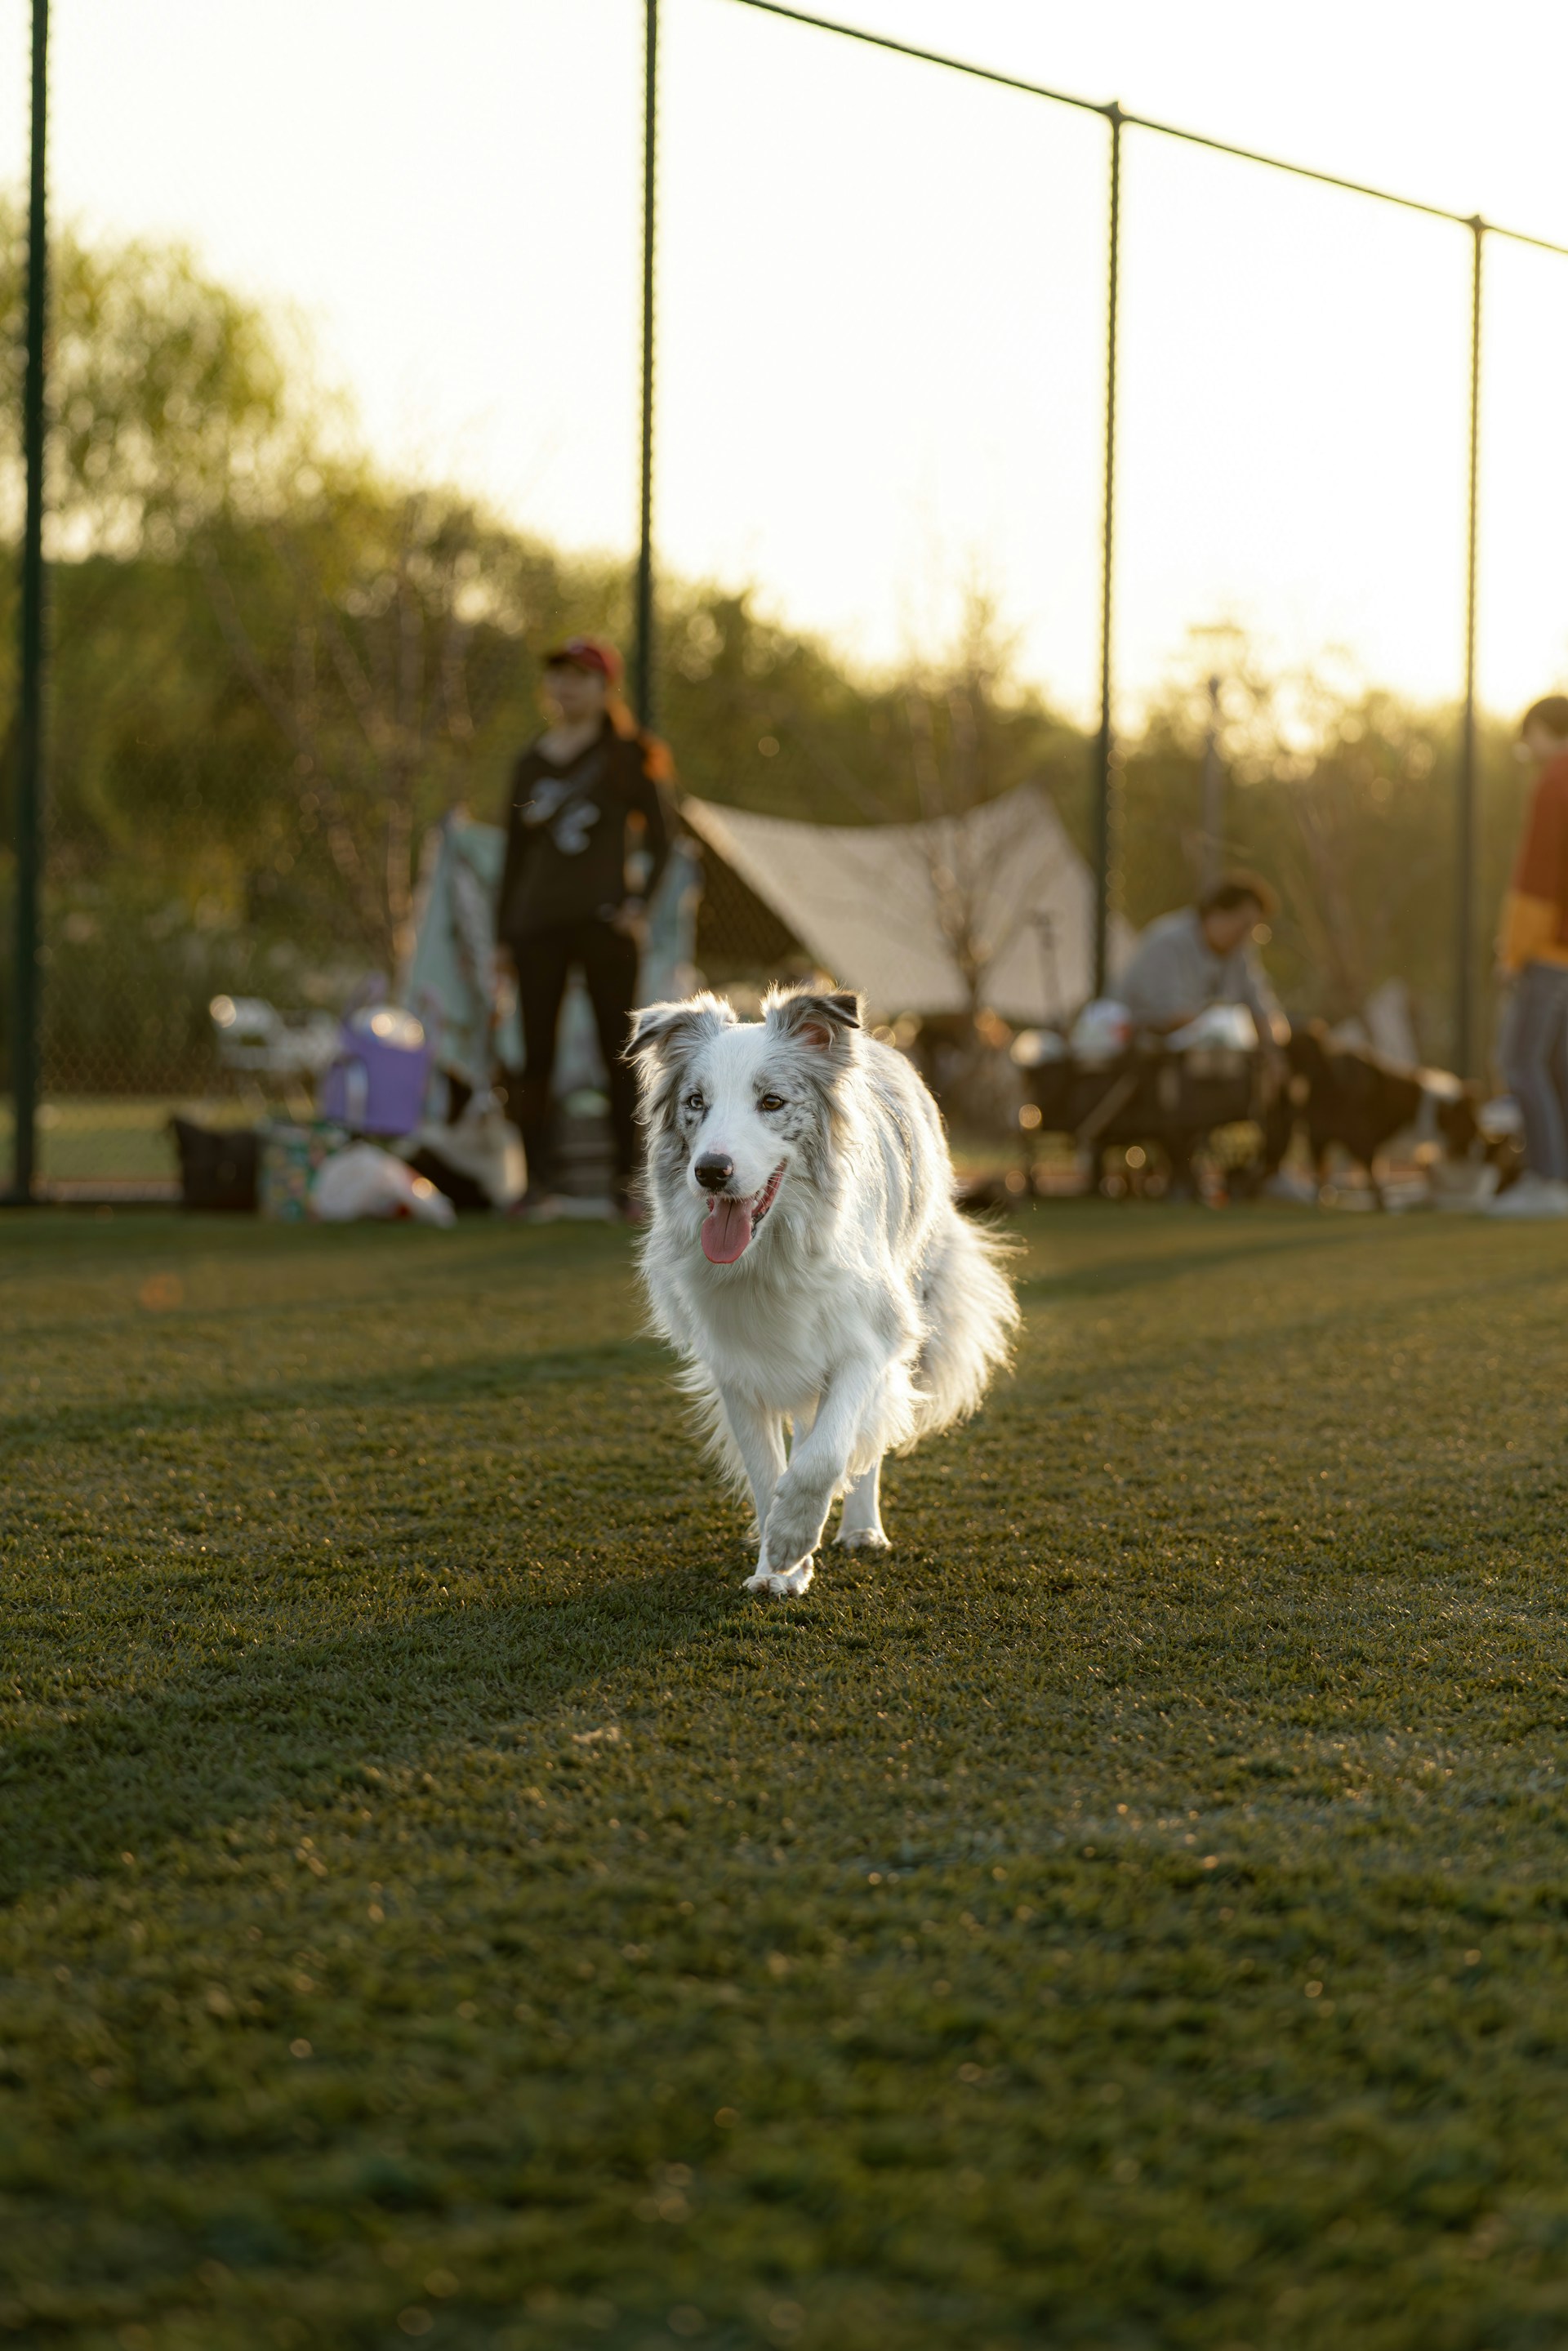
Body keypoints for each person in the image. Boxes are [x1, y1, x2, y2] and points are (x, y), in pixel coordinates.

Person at [495, 635, 675, 1220]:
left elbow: (665, 839)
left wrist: (638, 905)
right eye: (558, 675)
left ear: (604, 688)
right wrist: (503, 937)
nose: (566, 686)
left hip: (603, 926)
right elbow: (514, 857)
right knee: (535, 1057)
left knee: (618, 1052)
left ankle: (628, 1183)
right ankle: (536, 1183)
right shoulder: (530, 763)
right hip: (536, 926)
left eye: (579, 676)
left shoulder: (626, 755)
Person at [1488, 694, 1568, 1218]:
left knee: (1521, 1061)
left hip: (1549, 949)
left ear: (1543, 728)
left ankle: (1548, 1179)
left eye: (1528, 738)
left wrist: (1512, 951)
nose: (1528, 750)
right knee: (1558, 1066)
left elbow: (1536, 875)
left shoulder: (1555, 781)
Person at [1118, 871, 1286, 1060]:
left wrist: (1273, 1052)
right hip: (1146, 1054)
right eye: (1245, 925)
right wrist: (1225, 1028)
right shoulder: (1169, 942)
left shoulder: (1240, 953)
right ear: (1218, 912)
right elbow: (1169, 1016)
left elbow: (1264, 1012)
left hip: (1211, 1055)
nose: (1247, 936)